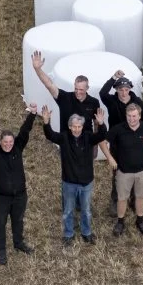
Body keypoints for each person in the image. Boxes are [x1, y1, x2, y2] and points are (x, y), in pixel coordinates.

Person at [0, 103, 38, 265]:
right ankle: (1, 250)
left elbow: (25, 131)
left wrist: (32, 114)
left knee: (18, 220)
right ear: (0, 141)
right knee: (0, 223)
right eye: (5, 142)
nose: (8, 144)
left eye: (11, 141)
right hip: (0, 198)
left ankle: (18, 243)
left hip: (19, 196)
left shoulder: (17, 148)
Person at [41, 104, 108, 245]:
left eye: (79, 126)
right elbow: (50, 135)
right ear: (70, 127)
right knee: (68, 211)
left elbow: (102, 135)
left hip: (86, 183)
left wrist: (101, 123)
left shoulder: (89, 137)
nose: (77, 129)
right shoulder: (64, 138)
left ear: (82, 127)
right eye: (74, 126)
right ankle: (68, 234)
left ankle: (86, 232)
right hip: (69, 183)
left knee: (86, 211)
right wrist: (46, 122)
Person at [105, 103, 143, 236]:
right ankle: (120, 222)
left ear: (139, 115)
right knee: (122, 198)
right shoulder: (118, 129)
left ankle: (140, 220)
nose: (132, 119)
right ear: (126, 115)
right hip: (123, 172)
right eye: (129, 116)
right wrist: (110, 158)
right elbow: (103, 142)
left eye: (134, 116)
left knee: (141, 196)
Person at [98, 70, 143, 215]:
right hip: (117, 143)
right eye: (120, 89)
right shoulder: (111, 100)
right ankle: (116, 200)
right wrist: (114, 77)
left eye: (126, 89)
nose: (124, 92)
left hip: (134, 143)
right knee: (117, 173)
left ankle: (132, 199)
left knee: (135, 172)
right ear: (116, 89)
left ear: (130, 89)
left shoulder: (137, 102)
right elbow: (102, 93)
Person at [31, 50, 101, 140]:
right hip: (67, 144)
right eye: (76, 89)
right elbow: (49, 84)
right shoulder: (64, 98)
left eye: (81, 90)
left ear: (87, 88)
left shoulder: (94, 102)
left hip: (86, 144)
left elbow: (96, 124)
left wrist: (94, 144)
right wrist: (37, 69)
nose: (78, 92)